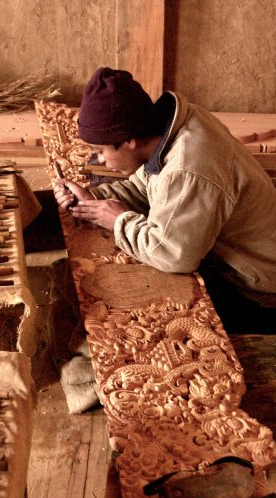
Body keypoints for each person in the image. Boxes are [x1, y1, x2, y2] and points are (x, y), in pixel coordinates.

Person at [54, 67, 276, 333]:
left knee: (154, 319)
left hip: (259, 290)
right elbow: (150, 188)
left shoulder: (189, 168)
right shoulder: (173, 129)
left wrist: (119, 222)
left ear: (129, 140)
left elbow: (174, 256)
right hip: (233, 260)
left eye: (100, 151)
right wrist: (94, 198)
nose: (100, 160)